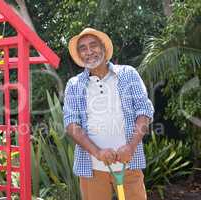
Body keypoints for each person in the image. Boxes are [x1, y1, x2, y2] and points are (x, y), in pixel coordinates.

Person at [63, 27, 154, 200]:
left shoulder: (128, 74)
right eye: (82, 48)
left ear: (104, 48)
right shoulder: (74, 85)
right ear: (79, 55)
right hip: (92, 170)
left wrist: (131, 147)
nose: (89, 51)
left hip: (129, 164)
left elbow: (144, 110)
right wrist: (98, 152)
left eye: (93, 45)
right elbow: (71, 124)